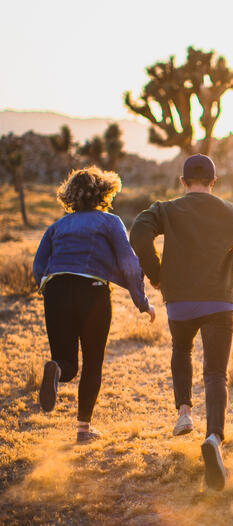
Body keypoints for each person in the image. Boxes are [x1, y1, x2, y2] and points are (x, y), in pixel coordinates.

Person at [130, 154, 233, 490]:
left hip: (180, 302)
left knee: (181, 349)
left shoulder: (166, 210)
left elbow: (138, 234)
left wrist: (157, 273)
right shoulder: (231, 211)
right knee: (216, 372)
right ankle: (214, 438)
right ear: (213, 182)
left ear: (183, 182)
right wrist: (231, 263)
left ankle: (184, 414)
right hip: (219, 300)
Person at [33, 166, 155, 443]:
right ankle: (83, 430)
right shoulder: (110, 222)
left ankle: (57, 370)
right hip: (93, 291)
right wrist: (142, 302)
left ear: (70, 195)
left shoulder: (57, 226)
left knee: (67, 362)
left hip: (57, 288)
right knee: (92, 362)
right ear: (104, 192)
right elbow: (128, 263)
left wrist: (48, 289)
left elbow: (38, 265)